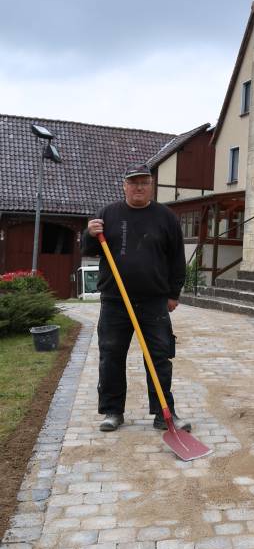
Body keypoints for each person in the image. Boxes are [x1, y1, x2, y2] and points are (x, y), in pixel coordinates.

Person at [82, 164, 191, 433]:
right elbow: (89, 249)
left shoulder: (165, 217)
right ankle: (113, 411)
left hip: (153, 301)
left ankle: (164, 413)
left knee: (159, 358)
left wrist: (173, 294)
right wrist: (89, 233)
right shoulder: (108, 213)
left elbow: (177, 258)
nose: (139, 187)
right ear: (124, 186)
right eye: (133, 183)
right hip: (115, 300)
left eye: (144, 182)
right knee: (111, 356)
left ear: (151, 185)